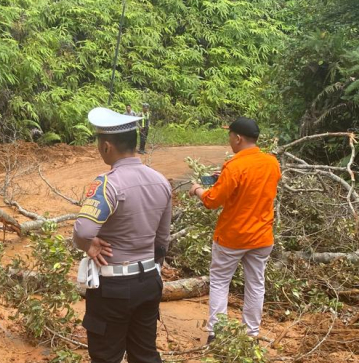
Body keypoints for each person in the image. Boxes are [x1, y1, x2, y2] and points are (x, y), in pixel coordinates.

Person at [73, 107, 173, 363]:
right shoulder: (161, 181)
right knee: (145, 354)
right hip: (149, 281)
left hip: (113, 286)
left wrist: (89, 245)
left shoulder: (108, 184)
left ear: (106, 146)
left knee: (106, 356)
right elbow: (162, 239)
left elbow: (83, 231)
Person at [188, 117, 281, 343]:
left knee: (220, 281)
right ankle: (251, 334)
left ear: (238, 138)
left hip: (233, 237)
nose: (229, 140)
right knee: (256, 284)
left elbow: (212, 201)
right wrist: (223, 179)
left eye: (229, 135)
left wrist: (197, 189)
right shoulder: (272, 163)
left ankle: (216, 333)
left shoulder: (235, 166)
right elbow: (254, 187)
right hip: (262, 237)